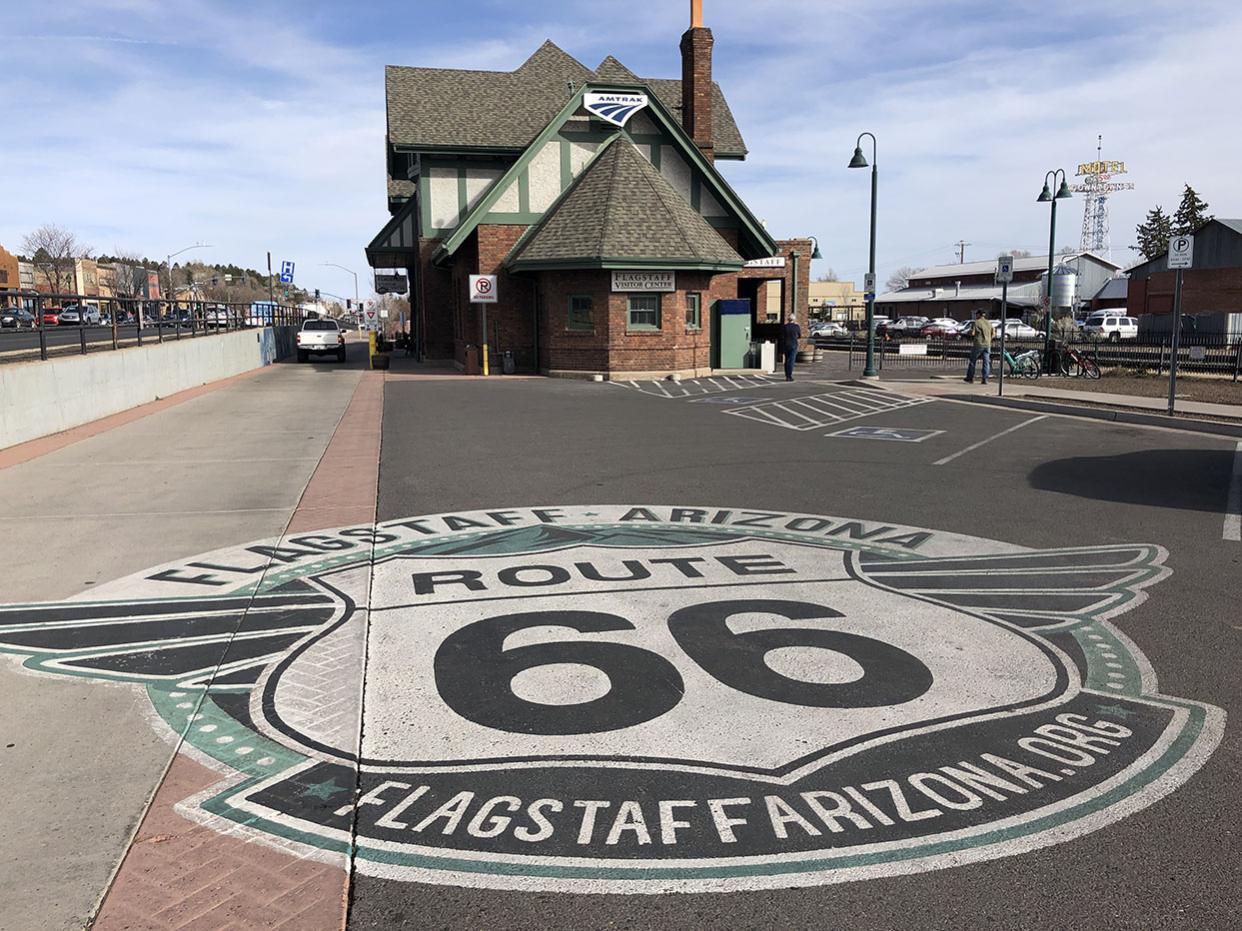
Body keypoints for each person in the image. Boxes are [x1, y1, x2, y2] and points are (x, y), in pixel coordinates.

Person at [964, 309, 993, 384]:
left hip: (978, 344)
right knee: (986, 362)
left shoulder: (976, 322)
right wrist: (989, 339)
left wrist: (969, 332)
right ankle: (985, 379)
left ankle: (970, 378)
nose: (976, 316)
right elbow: (993, 333)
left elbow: (973, 333)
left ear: (979, 315)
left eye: (976, 314)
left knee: (973, 361)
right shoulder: (989, 323)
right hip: (987, 344)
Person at [781, 315, 801, 381]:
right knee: (791, 361)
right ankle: (789, 376)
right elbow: (799, 335)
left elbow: (782, 336)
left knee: (786, 360)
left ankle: (786, 375)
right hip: (793, 345)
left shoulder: (785, 327)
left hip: (785, 345)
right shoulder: (796, 327)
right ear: (794, 320)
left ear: (788, 319)